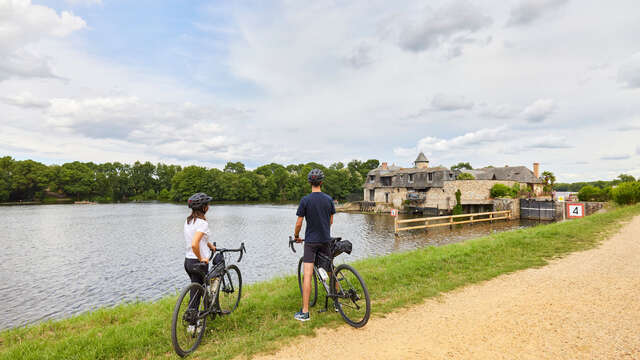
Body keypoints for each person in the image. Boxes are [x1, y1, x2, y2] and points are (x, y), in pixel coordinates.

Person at [293, 169, 336, 321]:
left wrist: (297, 236)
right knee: (331, 270)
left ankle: (305, 312)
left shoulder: (305, 200)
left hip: (311, 242)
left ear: (309, 183)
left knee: (308, 275)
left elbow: (299, 223)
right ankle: (337, 303)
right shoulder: (329, 199)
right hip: (326, 239)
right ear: (321, 183)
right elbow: (330, 221)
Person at [183, 192, 216, 330]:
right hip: (198, 263)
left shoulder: (189, 221)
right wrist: (202, 257)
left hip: (188, 262)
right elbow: (195, 243)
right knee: (197, 294)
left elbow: (199, 239)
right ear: (203, 207)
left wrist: (210, 246)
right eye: (207, 204)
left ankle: (197, 316)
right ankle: (193, 325)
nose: (209, 206)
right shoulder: (202, 223)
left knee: (196, 290)